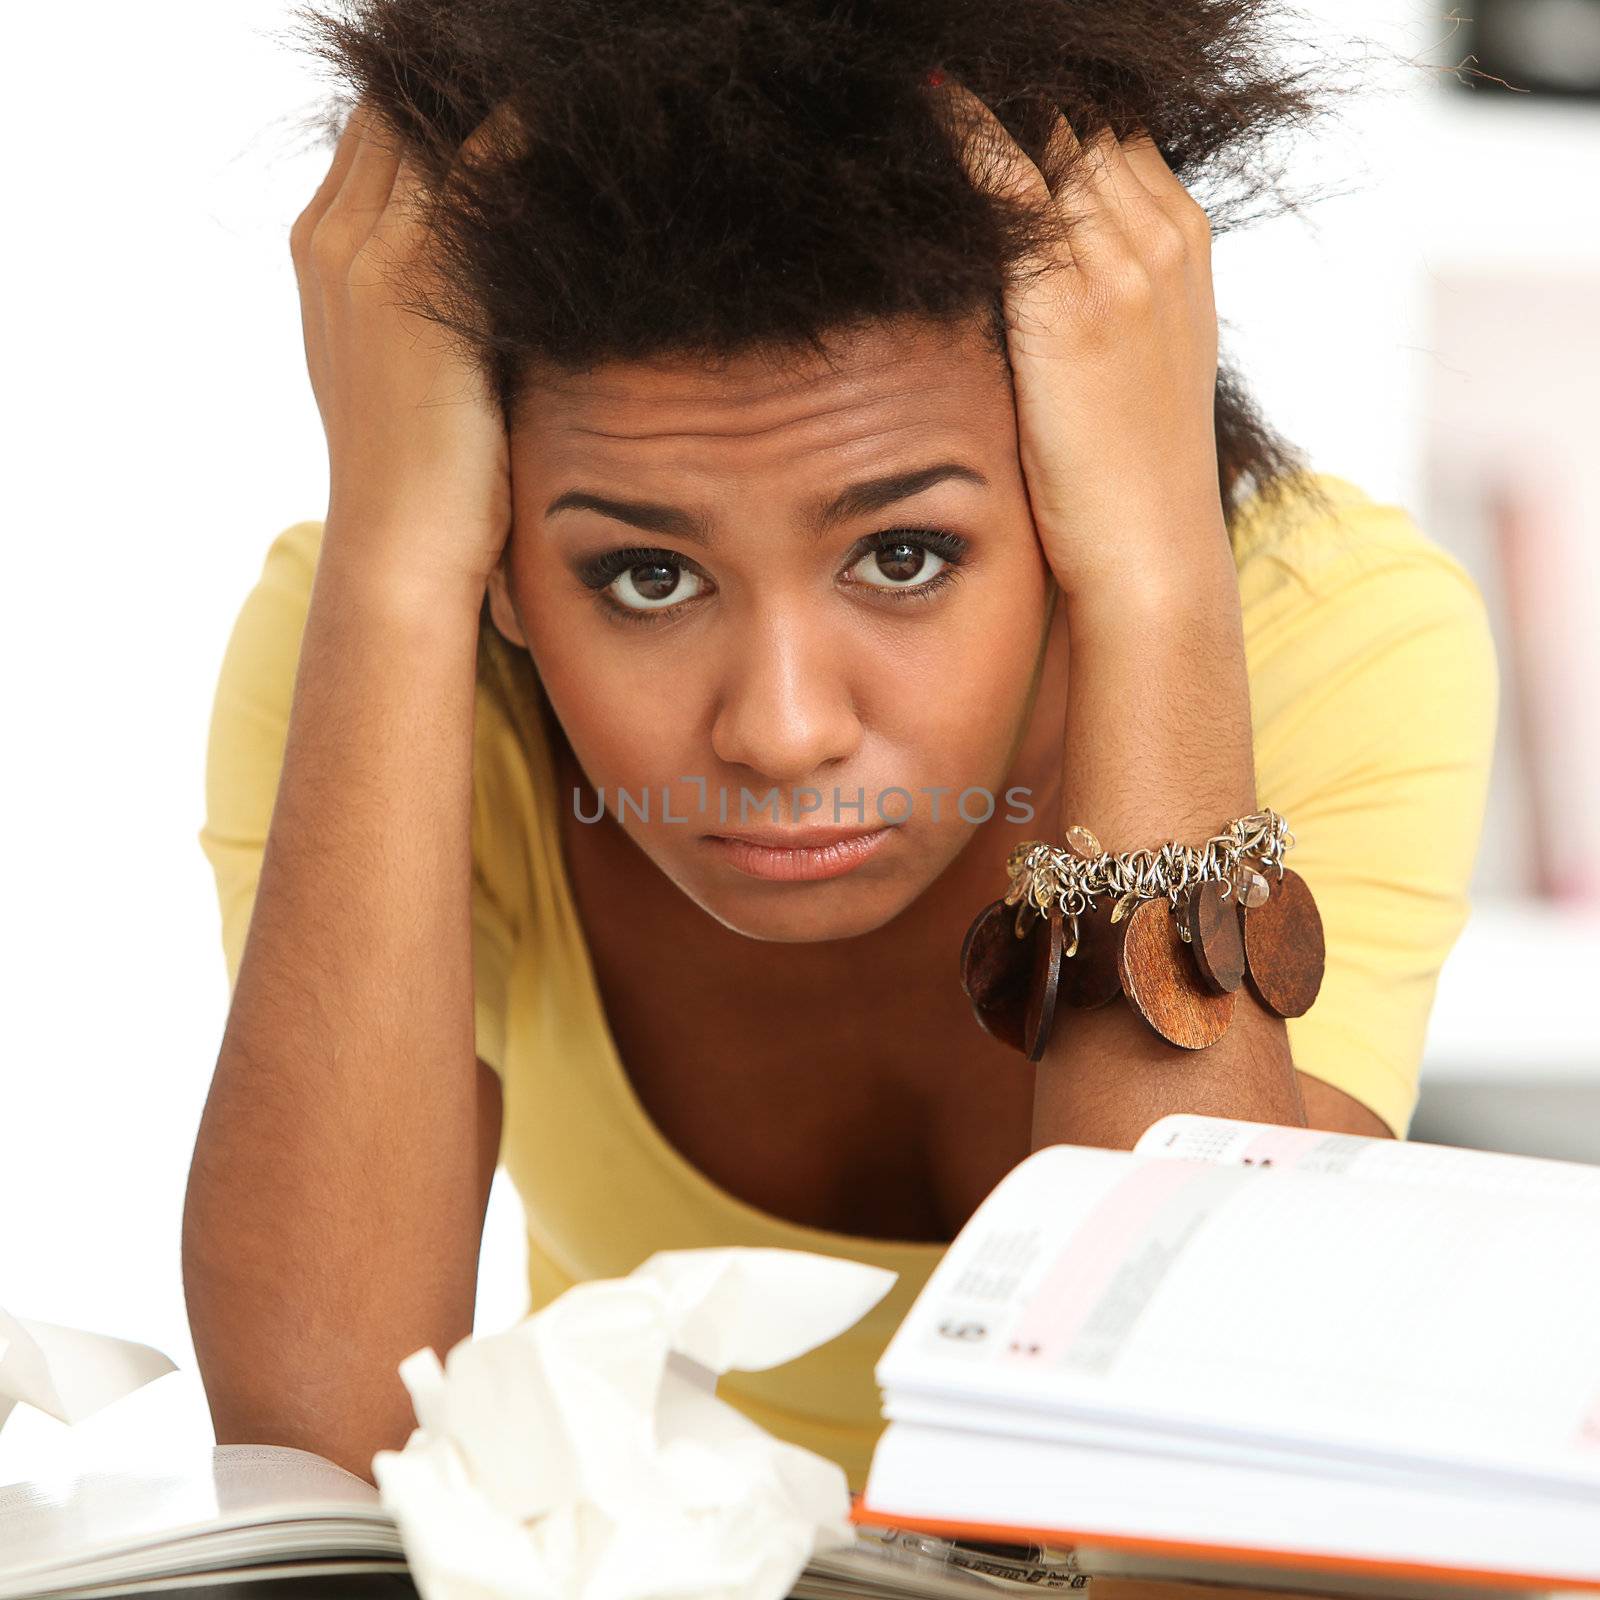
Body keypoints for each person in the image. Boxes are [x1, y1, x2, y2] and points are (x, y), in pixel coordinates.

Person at [185, 0, 1499, 1491]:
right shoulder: (387, 635)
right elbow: (311, 1456)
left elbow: (1201, 1482)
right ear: (497, 536)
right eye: (647, 574)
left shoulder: (1331, 637)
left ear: (1084, 466)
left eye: (905, 554)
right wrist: (397, 572)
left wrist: (1156, 580)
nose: (783, 727)